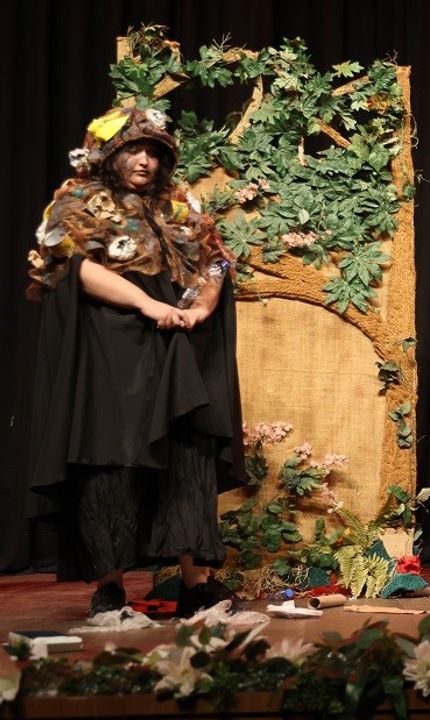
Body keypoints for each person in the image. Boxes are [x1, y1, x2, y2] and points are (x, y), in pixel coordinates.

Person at [26, 106, 245, 617]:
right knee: (113, 456)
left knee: (187, 451)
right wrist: (147, 304)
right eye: (134, 150)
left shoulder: (177, 205)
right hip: (112, 345)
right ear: (109, 154)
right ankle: (110, 584)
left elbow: (215, 262)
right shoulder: (79, 200)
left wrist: (201, 307)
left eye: (153, 152)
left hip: (179, 340)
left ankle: (196, 583)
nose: (145, 160)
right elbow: (74, 269)